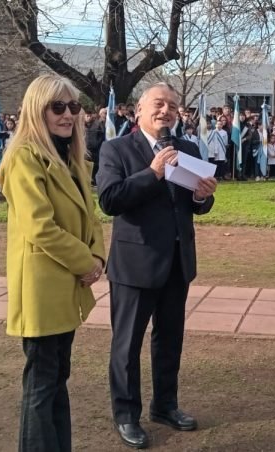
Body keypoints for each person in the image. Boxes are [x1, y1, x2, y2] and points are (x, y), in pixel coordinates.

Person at [96, 82, 217, 449]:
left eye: (173, 106)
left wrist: (201, 197)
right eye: (158, 104)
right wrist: (153, 172)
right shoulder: (116, 149)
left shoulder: (188, 148)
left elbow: (193, 206)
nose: (166, 111)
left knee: (170, 340)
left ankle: (165, 405)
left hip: (177, 262)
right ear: (139, 111)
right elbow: (110, 200)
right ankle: (126, 415)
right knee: (127, 344)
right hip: (135, 264)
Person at [0, 74, 105, 452]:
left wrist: (97, 256)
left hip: (66, 285)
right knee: (41, 384)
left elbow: (90, 217)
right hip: (43, 286)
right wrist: (84, 262)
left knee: (57, 377)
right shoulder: (25, 157)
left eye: (73, 107)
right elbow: (40, 226)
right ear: (36, 109)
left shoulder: (71, 158)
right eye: (57, 107)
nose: (67, 115)